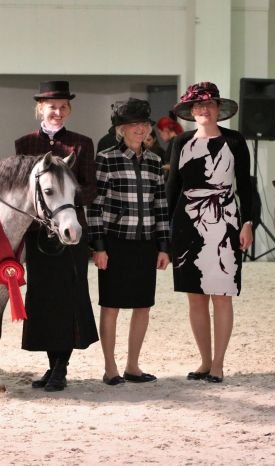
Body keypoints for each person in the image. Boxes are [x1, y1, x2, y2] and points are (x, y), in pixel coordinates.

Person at [14, 81, 99, 392]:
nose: (58, 112)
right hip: (38, 233)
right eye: (52, 107)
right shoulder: (24, 144)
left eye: (63, 107)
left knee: (69, 298)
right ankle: (52, 365)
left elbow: (91, 188)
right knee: (44, 299)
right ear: (40, 109)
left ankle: (61, 367)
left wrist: (65, 199)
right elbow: (22, 190)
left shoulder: (82, 144)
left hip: (71, 231)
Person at [166, 82, 254, 384]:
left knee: (222, 295)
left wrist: (248, 222)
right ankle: (204, 361)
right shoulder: (181, 142)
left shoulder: (235, 140)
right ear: (191, 111)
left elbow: (246, 184)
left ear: (218, 109)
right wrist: (165, 232)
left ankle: (218, 364)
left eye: (209, 104)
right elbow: (172, 188)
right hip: (186, 222)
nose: (204, 109)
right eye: (198, 105)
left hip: (225, 221)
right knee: (196, 297)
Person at [87, 98, 171, 386]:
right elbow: (95, 206)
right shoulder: (106, 158)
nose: (140, 129)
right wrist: (98, 246)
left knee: (143, 305)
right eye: (133, 124)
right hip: (115, 244)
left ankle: (133, 366)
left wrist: (163, 246)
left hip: (146, 243)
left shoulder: (154, 162)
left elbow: (161, 206)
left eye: (144, 124)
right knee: (111, 306)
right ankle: (110, 367)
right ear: (121, 129)